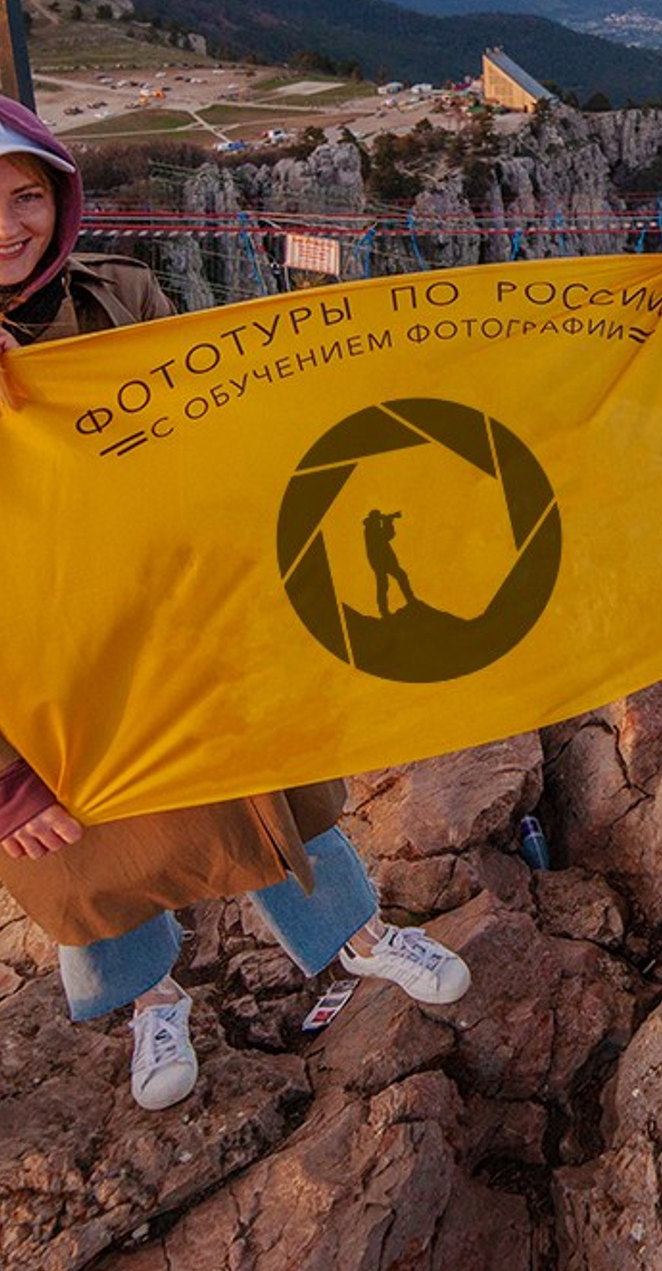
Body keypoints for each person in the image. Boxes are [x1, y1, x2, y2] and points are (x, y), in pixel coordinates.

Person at [0, 95, 471, 1111]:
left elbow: (214, 431)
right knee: (86, 849)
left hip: (176, 619)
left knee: (267, 785)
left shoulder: (120, 293)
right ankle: (150, 1002)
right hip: (41, 666)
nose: (7, 226)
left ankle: (355, 935)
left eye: (25, 196)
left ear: (60, 199)